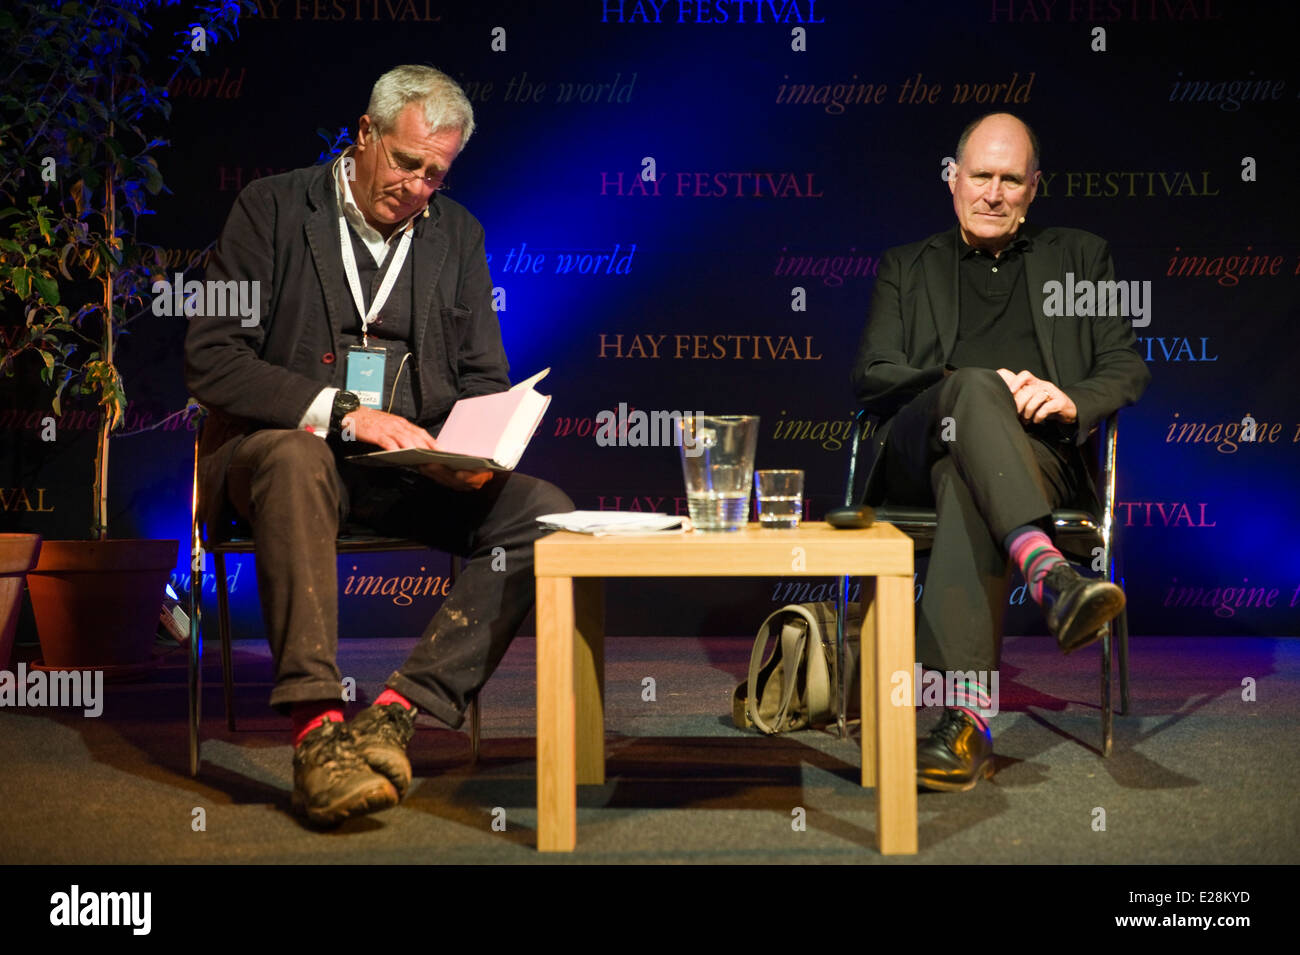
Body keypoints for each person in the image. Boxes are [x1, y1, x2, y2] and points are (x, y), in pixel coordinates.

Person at [185, 65, 572, 826]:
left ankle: (398, 710)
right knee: (297, 458)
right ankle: (317, 733)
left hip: (409, 471)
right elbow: (212, 358)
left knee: (544, 513)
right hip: (277, 459)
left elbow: (482, 375)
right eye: (406, 163)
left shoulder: (457, 233)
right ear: (364, 135)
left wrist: (472, 449)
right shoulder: (269, 209)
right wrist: (343, 413)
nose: (420, 186)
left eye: (437, 173)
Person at [850, 112, 1150, 792]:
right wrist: (964, 387)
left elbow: (1124, 368)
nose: (993, 191)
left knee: (970, 479)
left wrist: (1070, 399)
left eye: (1010, 179)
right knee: (971, 404)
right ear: (952, 181)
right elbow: (873, 372)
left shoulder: (1081, 256)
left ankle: (964, 720)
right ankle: (1050, 576)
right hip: (918, 449)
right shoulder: (908, 265)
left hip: (1032, 459)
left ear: (1034, 187)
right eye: (979, 175)